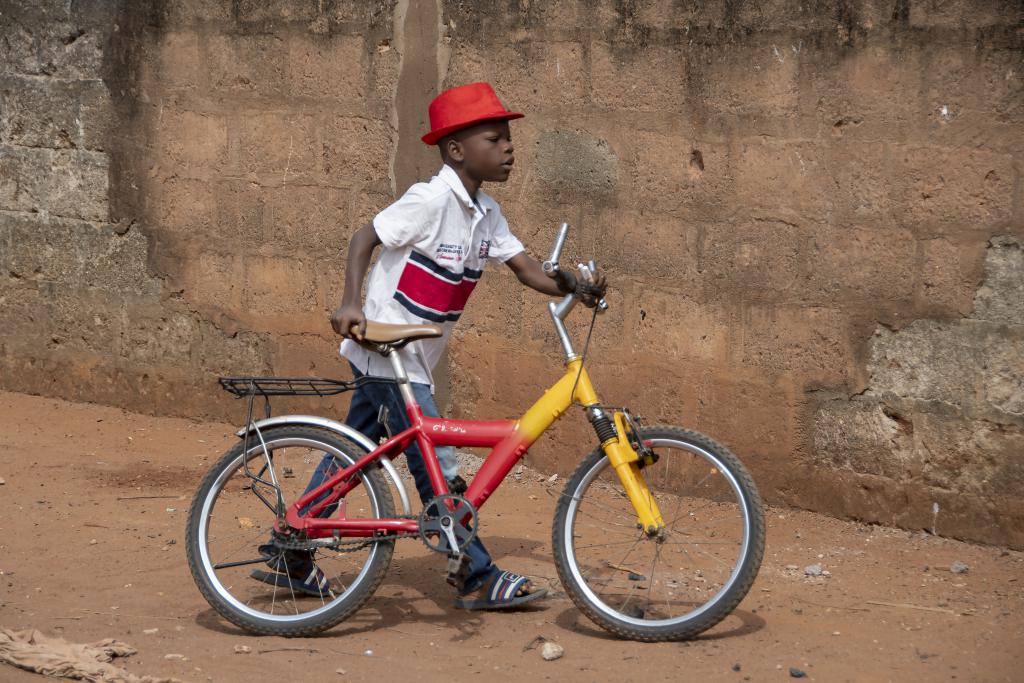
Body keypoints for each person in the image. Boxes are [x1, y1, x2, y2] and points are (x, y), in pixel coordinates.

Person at [255, 82, 606, 610]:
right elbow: (364, 237)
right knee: (435, 459)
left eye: (509, 137)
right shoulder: (430, 199)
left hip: (413, 357)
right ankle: (476, 574)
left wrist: (576, 285)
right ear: (457, 150)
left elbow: (530, 271)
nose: (509, 147)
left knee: (356, 450)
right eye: (495, 138)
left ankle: (290, 552)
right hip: (389, 354)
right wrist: (351, 302)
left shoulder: (486, 214)